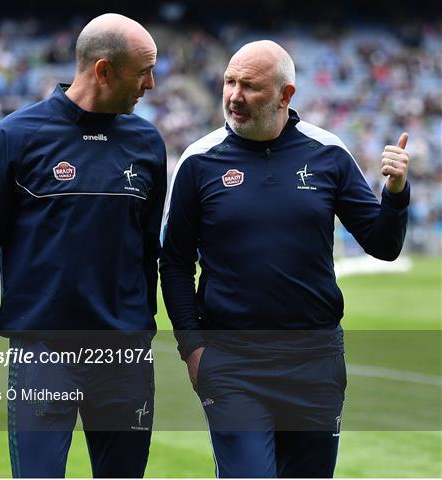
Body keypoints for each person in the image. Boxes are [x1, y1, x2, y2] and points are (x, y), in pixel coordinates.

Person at [160, 40, 410, 478]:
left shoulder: (328, 152)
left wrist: (395, 193)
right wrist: (193, 349)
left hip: (315, 360)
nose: (234, 96)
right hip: (232, 362)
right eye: (229, 82)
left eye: (249, 86)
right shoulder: (199, 161)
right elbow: (175, 262)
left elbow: (382, 244)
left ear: (285, 95)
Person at [0, 13, 166, 478]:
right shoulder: (13, 138)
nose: (151, 83)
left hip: (124, 358)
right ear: (103, 71)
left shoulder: (148, 143)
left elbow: (148, 253)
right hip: (44, 357)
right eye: (143, 71)